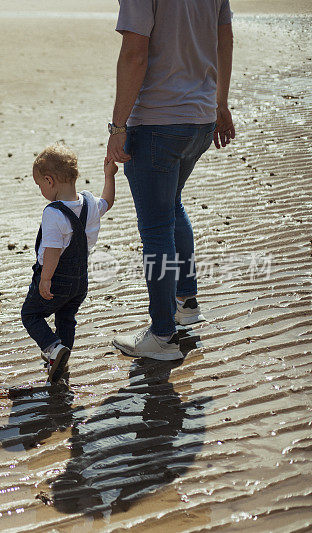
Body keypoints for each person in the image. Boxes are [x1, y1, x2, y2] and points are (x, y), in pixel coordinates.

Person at [107, 0, 235, 360]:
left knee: (156, 227)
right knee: (172, 205)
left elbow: (134, 53)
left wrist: (118, 127)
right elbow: (224, 39)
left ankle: (162, 336)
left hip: (157, 123)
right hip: (200, 118)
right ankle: (186, 303)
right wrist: (220, 103)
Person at [21, 145, 117, 383]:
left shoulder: (54, 213)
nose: (40, 189)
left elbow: (52, 250)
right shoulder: (89, 203)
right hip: (80, 281)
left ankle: (53, 349)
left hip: (56, 278)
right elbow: (108, 201)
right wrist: (109, 176)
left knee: (30, 314)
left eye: (39, 185)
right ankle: (61, 359)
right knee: (66, 317)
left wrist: (45, 278)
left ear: (49, 180)